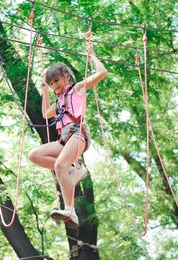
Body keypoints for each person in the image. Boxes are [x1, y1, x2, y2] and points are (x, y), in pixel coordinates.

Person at [28, 41, 107, 229]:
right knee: (35, 155)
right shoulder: (60, 102)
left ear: (66, 77)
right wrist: (45, 92)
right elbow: (46, 113)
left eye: (56, 81)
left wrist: (92, 56)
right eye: (51, 83)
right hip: (64, 138)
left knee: (59, 164)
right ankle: (73, 171)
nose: (55, 85)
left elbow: (102, 73)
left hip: (78, 133)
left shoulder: (76, 89)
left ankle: (70, 211)